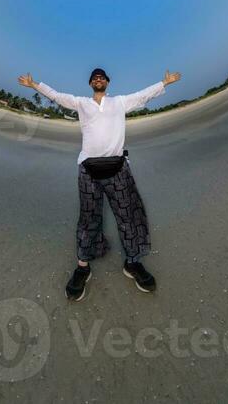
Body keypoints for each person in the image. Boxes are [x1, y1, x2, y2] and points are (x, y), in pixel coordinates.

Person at [17, 67, 181, 301]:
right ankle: (83, 267)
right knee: (88, 218)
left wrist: (164, 83)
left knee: (128, 216)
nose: (98, 78)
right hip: (88, 169)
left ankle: (133, 263)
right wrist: (35, 85)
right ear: (90, 84)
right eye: (94, 77)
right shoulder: (81, 103)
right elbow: (57, 96)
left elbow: (143, 95)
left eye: (102, 77)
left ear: (107, 82)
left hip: (118, 168)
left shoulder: (120, 102)